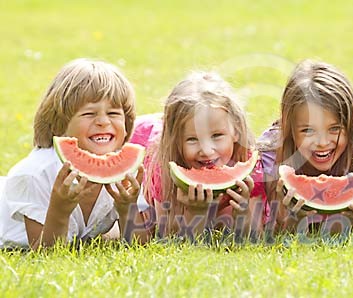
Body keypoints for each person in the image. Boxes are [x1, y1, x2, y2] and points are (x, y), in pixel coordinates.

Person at [0, 58, 150, 249]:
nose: (103, 122)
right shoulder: (34, 174)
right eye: (89, 114)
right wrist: (60, 209)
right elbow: (46, 252)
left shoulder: (125, 174)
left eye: (113, 114)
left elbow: (140, 244)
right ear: (60, 124)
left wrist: (127, 208)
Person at [133, 71, 268, 239]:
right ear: (176, 142)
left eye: (217, 136)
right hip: (143, 136)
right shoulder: (164, 166)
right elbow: (166, 236)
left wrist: (243, 213)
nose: (206, 150)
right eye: (192, 139)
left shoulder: (249, 165)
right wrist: (196, 214)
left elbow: (256, 238)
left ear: (236, 131)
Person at [257, 60, 353, 234]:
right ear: (289, 129)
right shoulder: (271, 155)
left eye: (335, 128)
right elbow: (267, 235)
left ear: (350, 126)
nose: (322, 142)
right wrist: (290, 222)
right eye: (308, 130)